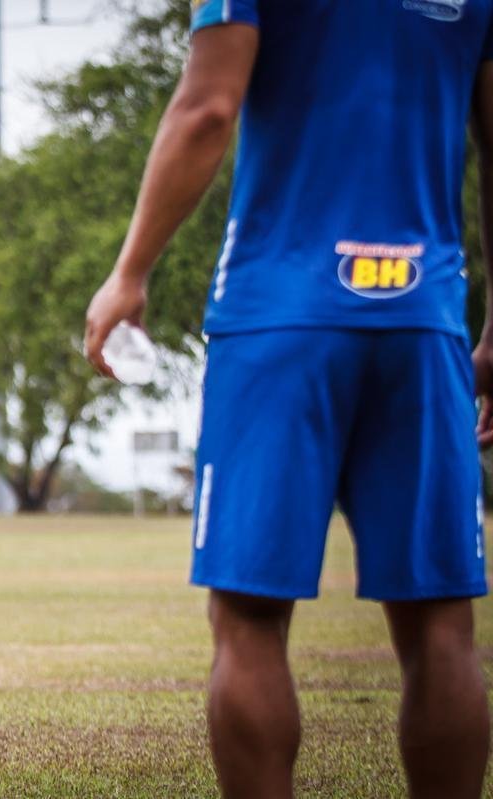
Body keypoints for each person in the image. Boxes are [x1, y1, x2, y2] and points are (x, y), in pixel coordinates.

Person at [83, 2, 491, 797]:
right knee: (442, 623)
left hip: (280, 313)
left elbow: (207, 107)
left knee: (250, 616)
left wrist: (130, 270)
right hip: (424, 313)